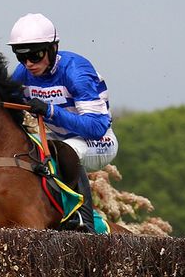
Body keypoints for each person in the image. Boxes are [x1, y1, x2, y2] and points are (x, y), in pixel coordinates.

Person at [8, 13, 119, 233]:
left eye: (36, 55)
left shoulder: (76, 71)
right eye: (21, 57)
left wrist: (51, 111)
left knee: (67, 149)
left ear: (52, 48)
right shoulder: (23, 73)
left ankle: (85, 222)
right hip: (55, 140)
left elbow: (96, 128)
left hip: (97, 141)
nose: (29, 64)